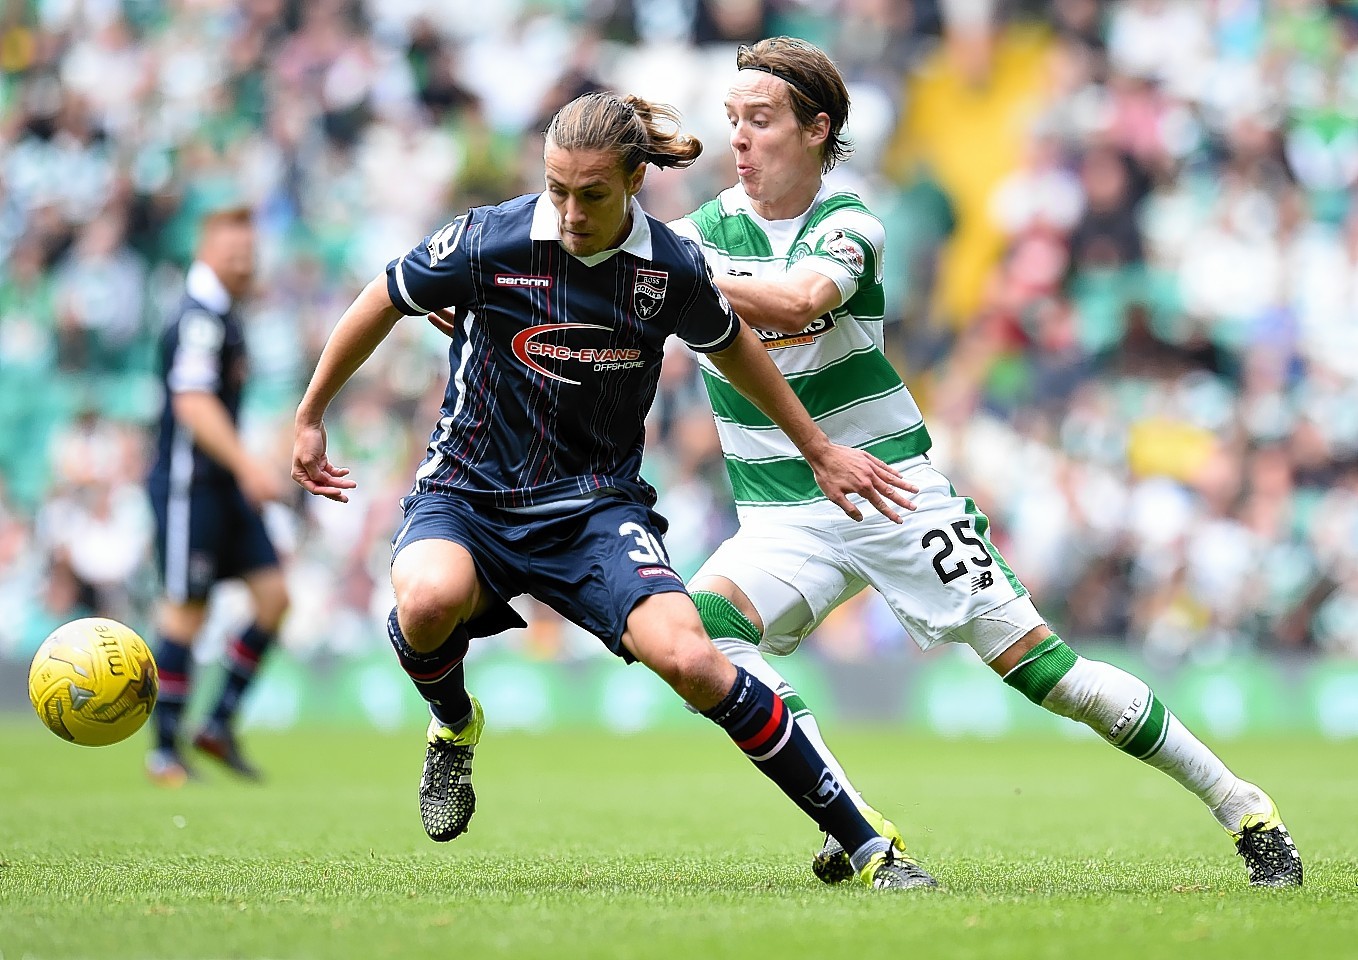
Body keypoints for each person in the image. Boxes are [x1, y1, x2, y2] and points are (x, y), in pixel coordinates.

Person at [668, 36, 1303, 889]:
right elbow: (584, 262)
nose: (738, 140)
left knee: (1051, 674)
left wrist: (668, 269)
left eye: (761, 120)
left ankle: (1243, 806)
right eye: (732, 121)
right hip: (783, 510)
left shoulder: (848, 224)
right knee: (697, 638)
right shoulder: (700, 231)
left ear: (817, 130)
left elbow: (798, 299)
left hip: (893, 494)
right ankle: (846, 815)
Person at [291, 91, 935, 890]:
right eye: (556, 187)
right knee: (425, 603)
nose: (568, 210)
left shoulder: (669, 267)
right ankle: (454, 729)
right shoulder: (488, 238)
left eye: (591, 193)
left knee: (691, 659)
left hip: (595, 506)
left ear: (633, 181)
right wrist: (312, 414)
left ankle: (870, 846)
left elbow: (736, 349)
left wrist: (818, 448)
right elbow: (383, 298)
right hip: (469, 492)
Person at [144, 206, 290, 786]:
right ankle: (163, 750)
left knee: (274, 598)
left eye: (250, 251)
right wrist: (248, 465)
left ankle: (218, 723)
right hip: (191, 486)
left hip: (223, 486)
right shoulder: (199, 319)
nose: (245, 260)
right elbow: (193, 403)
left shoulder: (225, 316)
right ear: (205, 249)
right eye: (233, 251)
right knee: (186, 611)